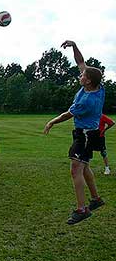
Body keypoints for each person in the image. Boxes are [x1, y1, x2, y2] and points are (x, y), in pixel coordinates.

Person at [44, 40, 105, 225]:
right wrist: (74, 45)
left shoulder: (86, 100)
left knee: (75, 169)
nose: (80, 74)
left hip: (85, 134)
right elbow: (80, 62)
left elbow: (67, 115)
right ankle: (96, 199)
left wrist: (51, 122)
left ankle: (82, 209)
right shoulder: (97, 87)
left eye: (83, 75)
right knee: (84, 166)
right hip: (89, 133)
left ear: (88, 80)